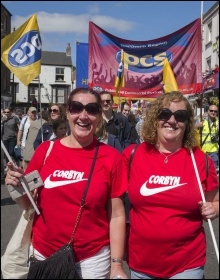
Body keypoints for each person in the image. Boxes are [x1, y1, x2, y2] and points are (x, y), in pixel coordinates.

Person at [5, 87, 128, 279]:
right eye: (77, 108)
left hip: (91, 261)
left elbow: (117, 215)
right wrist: (15, 185)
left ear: (99, 115)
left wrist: (117, 264)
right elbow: (27, 203)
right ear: (68, 112)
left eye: (92, 109)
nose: (84, 116)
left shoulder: (111, 158)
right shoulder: (46, 151)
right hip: (44, 255)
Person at [122, 91, 219, 279]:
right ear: (155, 118)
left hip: (187, 265)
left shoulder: (201, 160)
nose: (172, 121)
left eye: (180, 116)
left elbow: (215, 201)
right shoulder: (132, 155)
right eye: (165, 114)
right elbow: (115, 206)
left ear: (187, 123)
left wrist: (213, 210)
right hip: (141, 264)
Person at [197, 105, 219, 170]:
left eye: (215, 111)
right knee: (202, 171)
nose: (213, 112)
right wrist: (197, 125)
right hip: (202, 151)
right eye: (211, 111)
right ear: (208, 111)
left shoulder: (218, 122)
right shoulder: (202, 120)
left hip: (214, 151)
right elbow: (191, 129)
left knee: (212, 172)